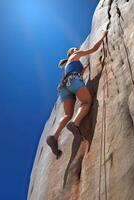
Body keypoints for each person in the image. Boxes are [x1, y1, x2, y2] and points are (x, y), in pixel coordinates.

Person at [47, 31, 108, 159]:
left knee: (67, 114)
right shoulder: (76, 54)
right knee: (86, 102)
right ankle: (75, 123)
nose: (77, 49)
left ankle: (54, 136)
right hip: (73, 80)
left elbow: (73, 72)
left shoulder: (67, 65)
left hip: (64, 87)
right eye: (75, 49)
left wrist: (83, 69)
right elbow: (94, 49)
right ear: (72, 52)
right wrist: (103, 36)